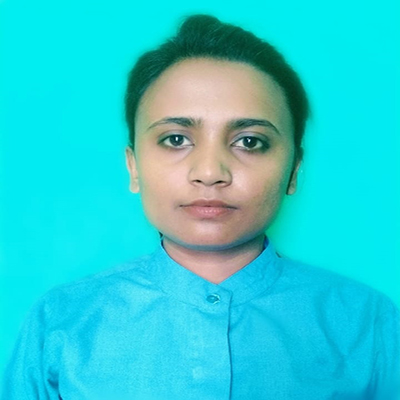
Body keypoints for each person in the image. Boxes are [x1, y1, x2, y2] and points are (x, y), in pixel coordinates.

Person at [2, 14, 399, 400]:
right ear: (134, 166)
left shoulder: (370, 323)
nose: (210, 173)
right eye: (175, 139)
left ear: (293, 170)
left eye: (250, 141)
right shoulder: (60, 322)